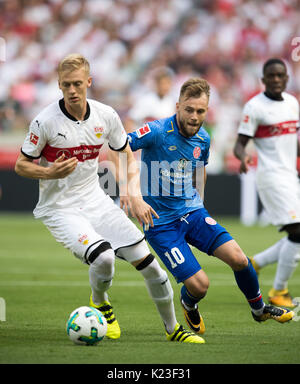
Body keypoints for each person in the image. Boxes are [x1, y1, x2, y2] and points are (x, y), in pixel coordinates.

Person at [14, 53, 205, 344]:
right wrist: (50, 173)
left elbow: (125, 151)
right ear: (59, 85)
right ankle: (101, 303)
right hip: (60, 208)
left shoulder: (106, 115)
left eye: (78, 83)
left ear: (88, 81)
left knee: (152, 267)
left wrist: (130, 190)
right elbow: (21, 165)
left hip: (96, 201)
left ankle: (173, 330)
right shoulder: (45, 122)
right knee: (103, 257)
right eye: (66, 85)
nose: (72, 90)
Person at [127, 77, 294, 336]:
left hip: (192, 213)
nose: (195, 117)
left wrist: (199, 205)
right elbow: (120, 146)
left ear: (207, 110)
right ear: (178, 106)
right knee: (200, 286)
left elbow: (199, 170)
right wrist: (133, 195)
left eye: (201, 111)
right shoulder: (157, 131)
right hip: (160, 224)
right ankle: (188, 303)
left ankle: (259, 310)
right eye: (189, 110)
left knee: (239, 258)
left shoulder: (203, 138)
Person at [234, 58, 300, 308]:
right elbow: (239, 143)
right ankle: (278, 291)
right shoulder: (255, 107)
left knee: (297, 233)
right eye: (270, 76)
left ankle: (257, 262)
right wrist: (242, 157)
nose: (275, 79)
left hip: (290, 175)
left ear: (286, 78)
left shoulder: (293, 103)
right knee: (298, 232)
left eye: (279, 75)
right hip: (271, 177)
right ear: (263, 80)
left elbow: (293, 141)